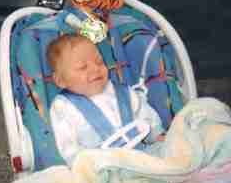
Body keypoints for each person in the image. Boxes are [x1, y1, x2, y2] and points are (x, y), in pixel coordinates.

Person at [47, 33, 166, 166]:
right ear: (60, 80)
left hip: (139, 157)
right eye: (82, 67)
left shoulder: (124, 92)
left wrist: (156, 135)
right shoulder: (63, 107)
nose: (95, 69)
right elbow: (67, 147)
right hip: (100, 168)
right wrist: (84, 167)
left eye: (99, 62)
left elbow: (146, 116)